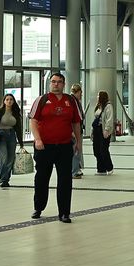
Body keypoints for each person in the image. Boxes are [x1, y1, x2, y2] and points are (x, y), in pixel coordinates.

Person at [28, 72, 83, 223]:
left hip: (64, 146)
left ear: (64, 84)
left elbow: (76, 123)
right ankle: (38, 207)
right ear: (49, 83)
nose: (56, 84)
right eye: (53, 81)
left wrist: (79, 142)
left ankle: (64, 212)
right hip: (44, 147)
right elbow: (33, 121)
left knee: (65, 180)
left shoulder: (71, 101)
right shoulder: (42, 100)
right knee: (41, 178)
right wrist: (37, 139)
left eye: (59, 82)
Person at [0, 93, 24, 188]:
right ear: (4, 101)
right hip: (1, 135)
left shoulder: (16, 113)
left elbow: (18, 128)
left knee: (10, 158)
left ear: (13, 101)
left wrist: (21, 142)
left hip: (11, 135)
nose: (9, 101)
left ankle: (6, 179)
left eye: (11, 99)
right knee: (4, 157)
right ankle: (3, 179)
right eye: (7, 99)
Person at [92, 90, 115, 175]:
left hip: (104, 130)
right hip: (96, 130)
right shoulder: (98, 106)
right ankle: (101, 169)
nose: (97, 97)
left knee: (103, 149)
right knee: (96, 150)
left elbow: (109, 119)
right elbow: (95, 119)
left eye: (98, 96)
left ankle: (109, 167)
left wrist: (107, 130)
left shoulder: (108, 106)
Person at [70, 83, 86, 178]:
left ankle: (76, 169)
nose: (81, 95)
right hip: (75, 130)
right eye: (80, 93)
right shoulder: (73, 101)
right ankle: (74, 171)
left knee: (76, 150)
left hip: (76, 130)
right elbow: (77, 118)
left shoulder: (75, 101)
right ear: (77, 92)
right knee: (76, 150)